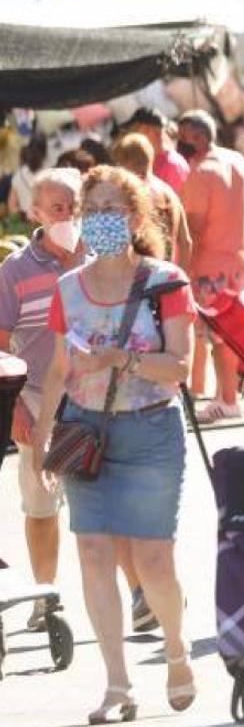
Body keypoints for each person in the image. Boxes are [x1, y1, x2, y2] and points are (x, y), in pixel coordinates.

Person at [31, 165, 197, 722]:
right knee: (94, 552)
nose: (101, 220)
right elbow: (56, 370)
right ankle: (117, 685)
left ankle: (176, 649)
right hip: (85, 433)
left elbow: (180, 369)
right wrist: (41, 439)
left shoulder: (165, 281)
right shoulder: (66, 289)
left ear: (135, 217)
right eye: (92, 209)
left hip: (150, 430)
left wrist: (118, 359)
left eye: (113, 209)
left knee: (153, 559)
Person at [0, 168, 87, 631]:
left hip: (96, 402)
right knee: (41, 506)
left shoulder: (100, 257)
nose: (68, 216)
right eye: (58, 208)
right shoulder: (14, 272)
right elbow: (0, 346)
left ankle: (137, 593)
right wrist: (13, 406)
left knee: (105, 504)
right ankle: (46, 596)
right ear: (34, 213)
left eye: (75, 206)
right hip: (37, 403)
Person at [177, 110, 244, 421]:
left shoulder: (202, 173)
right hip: (237, 263)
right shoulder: (239, 162)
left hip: (208, 268)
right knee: (229, 335)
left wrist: (183, 270)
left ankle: (226, 398)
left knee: (220, 338)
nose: (179, 145)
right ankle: (225, 395)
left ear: (198, 138)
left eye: (183, 137)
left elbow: (194, 231)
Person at [111, 133, 193, 268]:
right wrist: (179, 276)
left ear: (125, 163)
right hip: (165, 275)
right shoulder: (169, 192)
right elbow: (186, 242)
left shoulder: (132, 195)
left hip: (139, 277)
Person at [123, 107, 188, 194]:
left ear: (149, 130)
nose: (134, 137)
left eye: (136, 131)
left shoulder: (172, 165)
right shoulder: (155, 162)